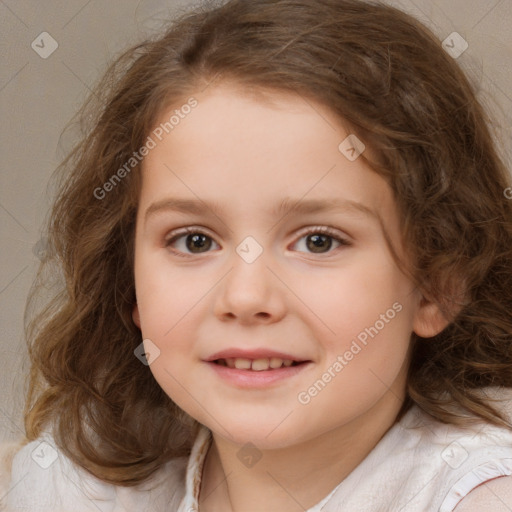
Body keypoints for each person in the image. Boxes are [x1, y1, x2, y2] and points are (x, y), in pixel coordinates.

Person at [1, 0, 512, 510]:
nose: (246, 297)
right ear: (127, 280)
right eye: (194, 240)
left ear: (438, 282)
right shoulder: (81, 481)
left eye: (318, 241)